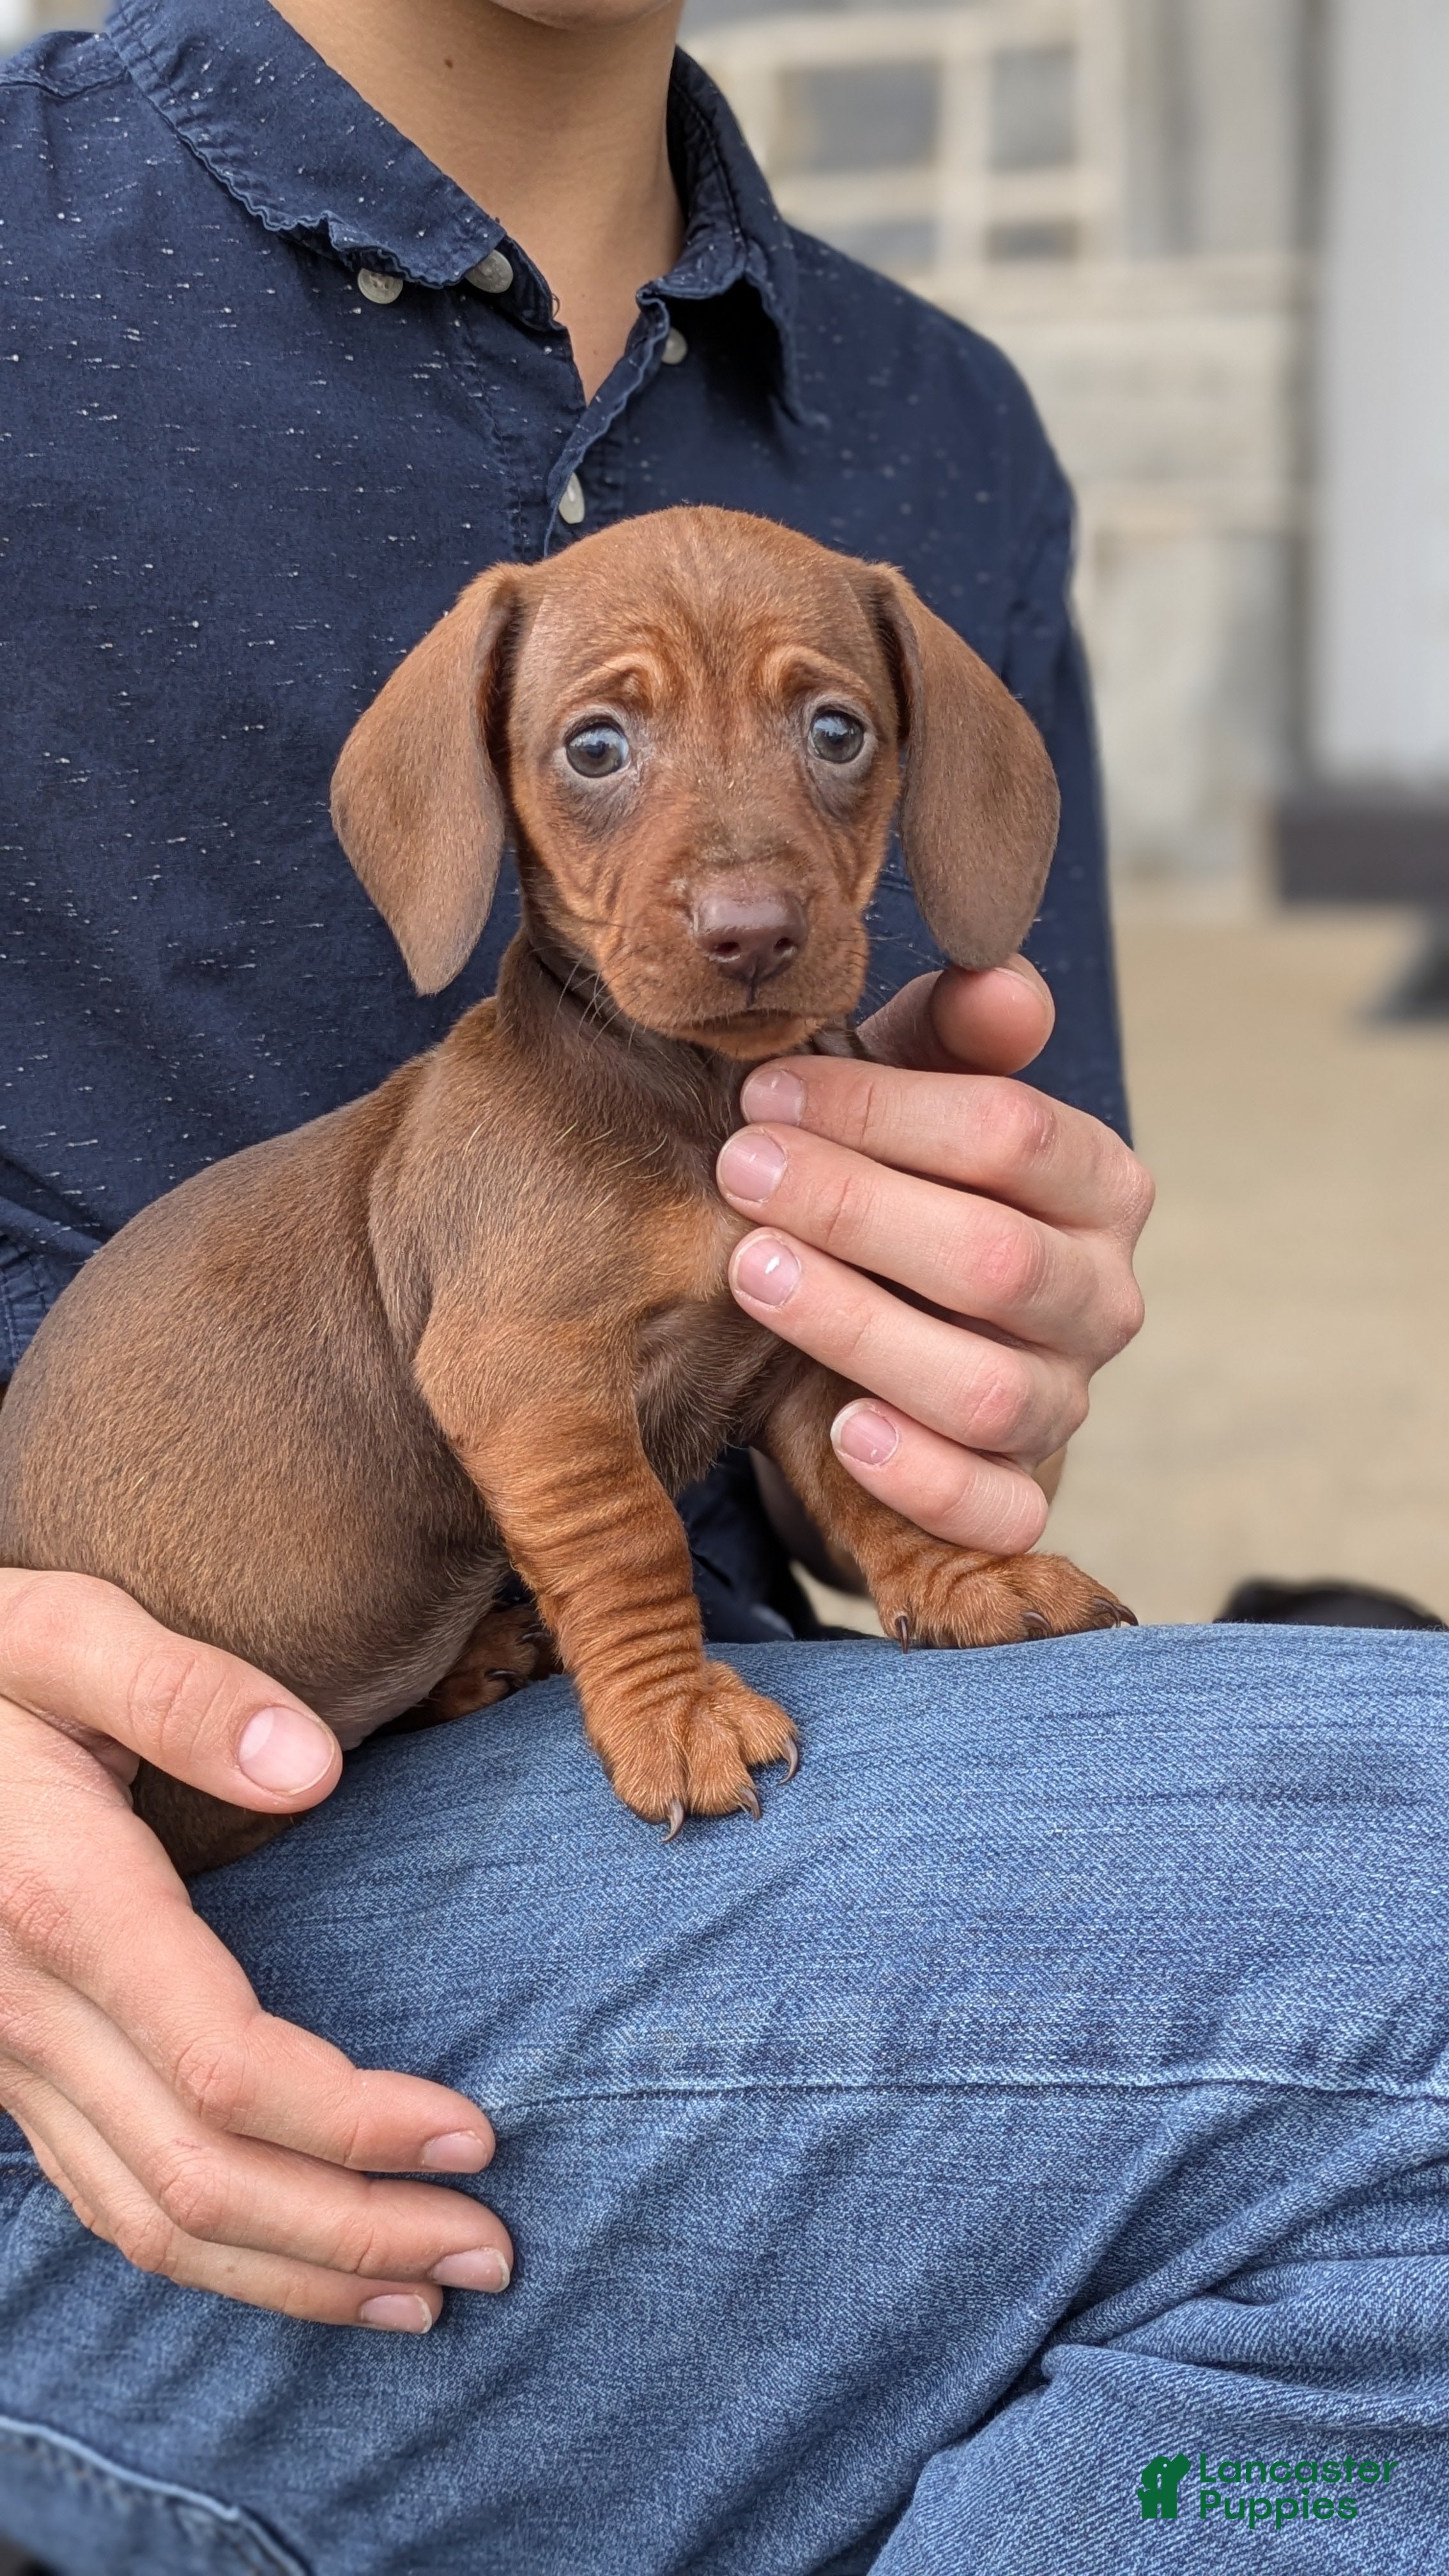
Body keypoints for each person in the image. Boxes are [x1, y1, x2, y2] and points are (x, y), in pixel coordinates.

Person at [1, 1, 1445, 2569]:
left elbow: (904, 1231)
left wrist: (965, 1382)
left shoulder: (942, 433)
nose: (745, 863)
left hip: (602, 1768)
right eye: (615, 763)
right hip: (123, 1999)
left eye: (816, 757)